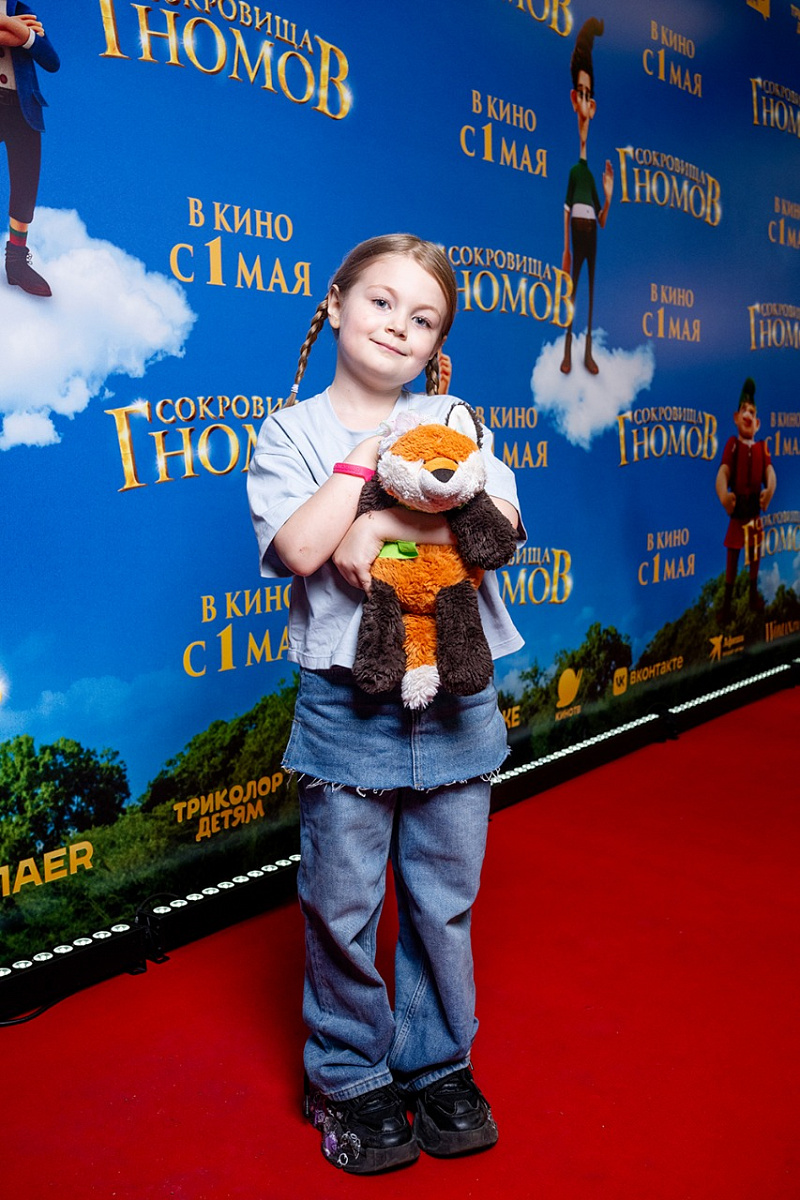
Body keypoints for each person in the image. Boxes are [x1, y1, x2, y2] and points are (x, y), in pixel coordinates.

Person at [247, 233, 525, 1174]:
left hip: (458, 699)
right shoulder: (289, 433)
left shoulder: (450, 417)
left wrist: (375, 529)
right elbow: (302, 549)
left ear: (439, 343)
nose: (399, 326)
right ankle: (350, 1076)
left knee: (443, 898)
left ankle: (438, 1061)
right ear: (334, 304)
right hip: (345, 703)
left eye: (424, 318)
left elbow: (495, 528)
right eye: (381, 303)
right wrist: (365, 468)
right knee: (342, 904)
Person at [560, 16, 613, 375]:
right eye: (580, 92)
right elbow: (566, 211)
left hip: (592, 234)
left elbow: (602, 220)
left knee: (591, 294)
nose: (584, 100)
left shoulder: (591, 175)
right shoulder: (575, 172)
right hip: (577, 235)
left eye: (588, 94)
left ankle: (587, 354)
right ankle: (567, 353)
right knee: (573, 294)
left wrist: (608, 196)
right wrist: (566, 249)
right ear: (574, 99)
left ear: (592, 105)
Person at [0, 1, 59, 296]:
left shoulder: (20, 7)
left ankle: (16, 262)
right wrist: (18, 29)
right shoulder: (19, 18)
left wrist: (24, 36)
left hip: (22, 107)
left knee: (25, 182)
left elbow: (51, 61)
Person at [715, 377, 776, 624]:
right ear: (736, 417)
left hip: (754, 513)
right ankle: (726, 605)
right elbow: (723, 472)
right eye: (744, 410)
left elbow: (770, 473)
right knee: (733, 555)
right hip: (738, 510)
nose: (748, 415)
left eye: (752, 411)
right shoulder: (732, 445)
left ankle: (752, 595)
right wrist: (723, 495)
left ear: (758, 423)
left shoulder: (762, 448)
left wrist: (770, 490)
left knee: (754, 555)